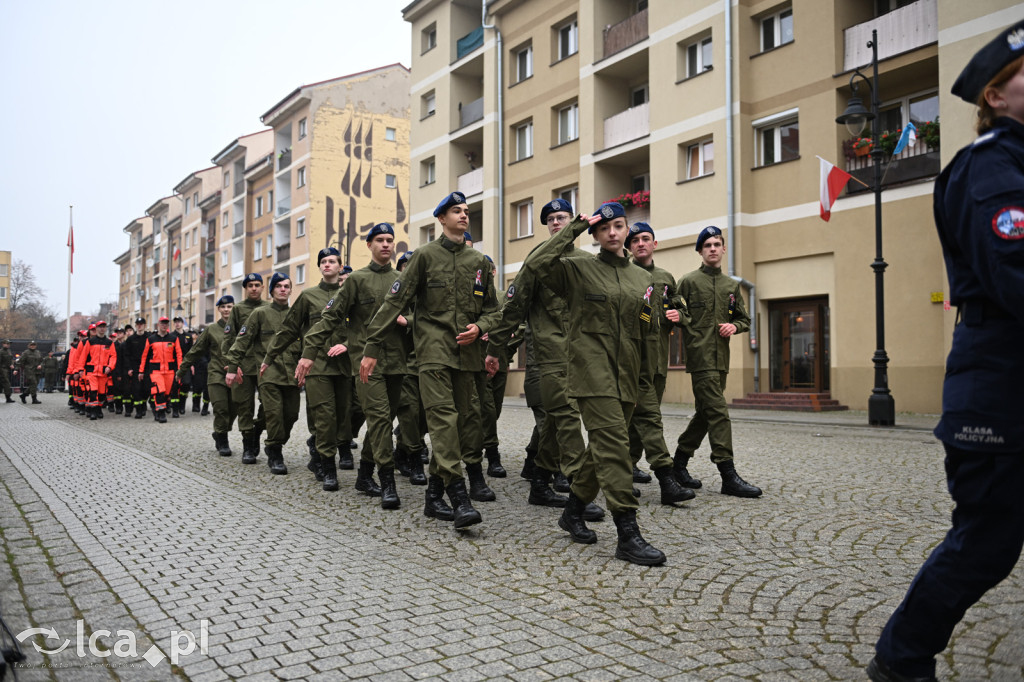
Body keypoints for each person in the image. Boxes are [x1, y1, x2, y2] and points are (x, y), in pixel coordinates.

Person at [868, 24, 1024, 682]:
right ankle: (902, 659)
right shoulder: (989, 168)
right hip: (999, 388)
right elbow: (1014, 273)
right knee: (986, 543)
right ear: (996, 92)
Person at [513, 202, 666, 565]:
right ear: (596, 235)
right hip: (591, 375)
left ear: (626, 230)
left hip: (628, 376)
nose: (613, 233)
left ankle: (573, 510)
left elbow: (648, 333)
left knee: (602, 449)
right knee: (613, 447)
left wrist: (647, 380)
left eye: (619, 226)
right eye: (605, 228)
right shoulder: (578, 268)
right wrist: (576, 225)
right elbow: (535, 265)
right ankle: (628, 532)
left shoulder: (642, 279)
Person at [360, 191, 500, 528]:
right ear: (441, 219)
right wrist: (371, 348)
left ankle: (433, 494)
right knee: (443, 422)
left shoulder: (479, 263)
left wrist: (481, 327)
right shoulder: (423, 257)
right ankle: (458, 495)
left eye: (466, 210)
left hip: (467, 358)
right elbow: (393, 303)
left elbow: (495, 310)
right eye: (456, 210)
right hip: (433, 354)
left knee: (466, 425)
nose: (464, 215)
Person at [485, 199, 607, 519]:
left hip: (580, 356)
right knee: (564, 419)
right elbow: (513, 308)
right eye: (551, 219)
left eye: (562, 218)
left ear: (571, 222)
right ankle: (579, 491)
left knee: (553, 422)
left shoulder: (587, 262)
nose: (556, 223)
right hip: (547, 356)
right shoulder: (537, 261)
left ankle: (539, 481)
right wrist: (496, 350)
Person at [305, 224, 414, 508]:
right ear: (369, 245)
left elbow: (419, 316)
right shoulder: (356, 280)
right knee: (379, 419)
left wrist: (407, 321)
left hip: (397, 362)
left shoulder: (402, 279)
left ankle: (364, 475)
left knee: (384, 421)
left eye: (390, 240)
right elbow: (330, 318)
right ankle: (387, 482)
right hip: (366, 364)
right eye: (380, 240)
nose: (386, 245)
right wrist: (309, 351)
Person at [670, 226, 762, 498]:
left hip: (722, 359)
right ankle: (727, 474)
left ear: (723, 249)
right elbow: (679, 314)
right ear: (700, 251)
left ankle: (678, 463)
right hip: (699, 358)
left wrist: (735, 327)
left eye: (716, 244)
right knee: (719, 412)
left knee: (706, 413)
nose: (712, 248)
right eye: (707, 244)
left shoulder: (731, 286)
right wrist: (683, 318)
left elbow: (744, 319)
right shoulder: (687, 282)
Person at [266, 247, 353, 491]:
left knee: (343, 417)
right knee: (325, 417)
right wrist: (269, 356)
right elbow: (290, 329)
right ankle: (328, 467)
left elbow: (363, 327)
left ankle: (317, 454)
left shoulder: (351, 293)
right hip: (318, 367)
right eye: (323, 261)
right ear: (319, 267)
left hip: (346, 367)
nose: (327, 265)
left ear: (340, 266)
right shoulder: (309, 296)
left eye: (332, 261)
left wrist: (347, 345)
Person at [624, 223, 698, 506]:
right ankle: (665, 477)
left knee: (640, 419)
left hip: (658, 362)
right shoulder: (625, 275)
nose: (641, 244)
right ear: (630, 247)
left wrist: (680, 315)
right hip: (632, 362)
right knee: (647, 418)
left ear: (655, 244)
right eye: (636, 240)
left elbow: (680, 307)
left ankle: (626, 469)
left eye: (646, 239)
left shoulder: (665, 278)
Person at [227, 273, 300, 473]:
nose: (283, 289)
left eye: (286, 286)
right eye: (278, 286)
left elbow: (307, 342)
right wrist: (232, 367)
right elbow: (241, 340)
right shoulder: (260, 313)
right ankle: (275, 451)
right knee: (274, 413)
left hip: (292, 373)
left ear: (291, 290)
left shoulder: (297, 314)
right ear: (272, 290)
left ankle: (260, 430)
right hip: (268, 372)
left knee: (291, 415)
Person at [179, 295, 236, 456]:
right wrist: (182, 369)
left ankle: (219, 432)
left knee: (234, 408)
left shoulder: (240, 328)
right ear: (218, 309)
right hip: (216, 374)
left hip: (235, 375)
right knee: (221, 409)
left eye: (229, 307)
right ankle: (223, 440)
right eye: (223, 307)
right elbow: (196, 351)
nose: (226, 310)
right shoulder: (211, 329)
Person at [222, 273, 268, 461]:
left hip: (265, 365)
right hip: (244, 366)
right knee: (244, 407)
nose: (254, 288)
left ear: (263, 287)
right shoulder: (238, 309)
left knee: (270, 406)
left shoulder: (269, 308)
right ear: (246, 288)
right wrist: (234, 365)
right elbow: (228, 340)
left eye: (257, 285)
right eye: (250, 285)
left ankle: (258, 428)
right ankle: (248, 446)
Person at [139, 317, 182, 423]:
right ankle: (162, 413)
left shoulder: (173, 338)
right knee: (159, 391)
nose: (164, 326)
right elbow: (144, 356)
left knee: (167, 393)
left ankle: (157, 410)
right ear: (158, 325)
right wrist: (141, 371)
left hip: (170, 371)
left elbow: (179, 355)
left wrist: (180, 370)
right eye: (162, 323)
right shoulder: (151, 339)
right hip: (156, 371)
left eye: (166, 324)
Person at [72, 321, 117, 420]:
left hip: (103, 372)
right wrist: (80, 369)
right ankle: (93, 410)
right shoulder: (90, 342)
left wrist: (110, 367)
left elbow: (113, 356)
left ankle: (98, 408)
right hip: (91, 371)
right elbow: (83, 356)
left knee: (102, 394)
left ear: (105, 329)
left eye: (103, 327)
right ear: (96, 328)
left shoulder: (109, 343)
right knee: (92, 391)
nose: (101, 329)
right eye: (100, 327)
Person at [124, 317, 150, 418]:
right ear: (135, 326)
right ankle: (139, 410)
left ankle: (143, 404)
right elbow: (127, 355)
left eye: (141, 324)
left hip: (147, 367)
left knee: (147, 388)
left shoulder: (149, 337)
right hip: (135, 366)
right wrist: (129, 368)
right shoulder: (130, 339)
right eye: (138, 324)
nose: (139, 326)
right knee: (136, 389)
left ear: (145, 325)